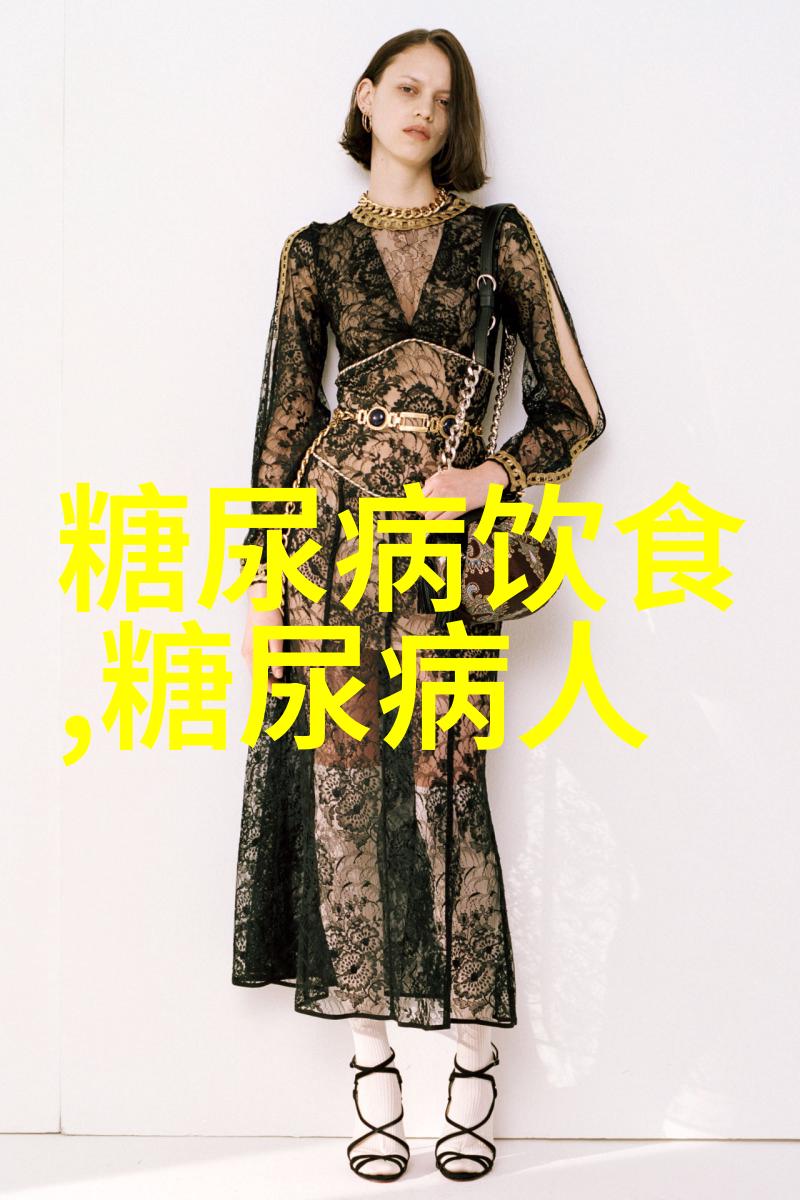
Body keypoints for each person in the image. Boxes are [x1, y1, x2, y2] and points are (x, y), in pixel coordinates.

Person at [233, 27, 606, 1183]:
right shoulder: (311, 252)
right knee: (343, 797)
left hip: (438, 556)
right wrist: (262, 579)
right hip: (330, 552)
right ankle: (373, 1077)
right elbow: (285, 420)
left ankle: (473, 1067)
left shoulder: (498, 240)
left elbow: (574, 408)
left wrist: (488, 475)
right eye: (405, 88)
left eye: (443, 98)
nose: (423, 110)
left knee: (443, 794)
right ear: (365, 98)